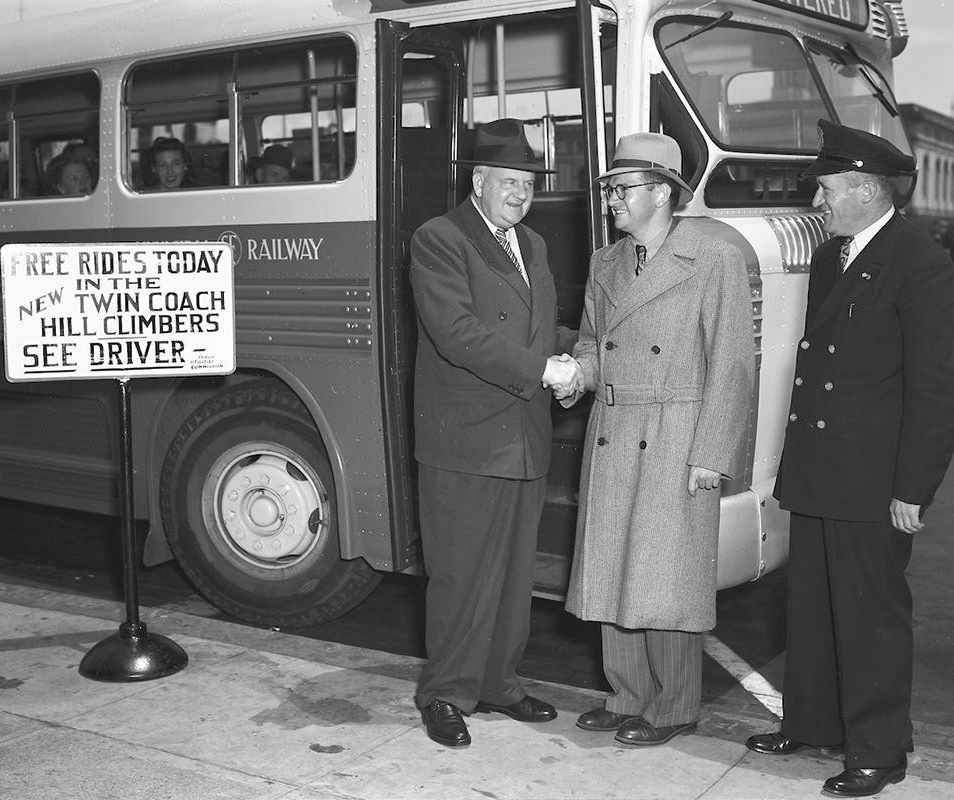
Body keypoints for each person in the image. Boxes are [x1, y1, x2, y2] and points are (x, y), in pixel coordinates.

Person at [746, 120, 954, 797]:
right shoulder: (837, 255)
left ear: (867, 190)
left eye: (830, 190)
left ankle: (879, 748)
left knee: (870, 619)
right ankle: (813, 722)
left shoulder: (919, 260)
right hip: (823, 467)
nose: (820, 202)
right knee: (811, 609)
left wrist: (913, 488)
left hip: (873, 479)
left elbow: (934, 387)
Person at [562, 132, 754, 747]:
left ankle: (673, 706)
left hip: (677, 432)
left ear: (665, 192)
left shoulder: (713, 256)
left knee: (666, 576)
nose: (612, 199)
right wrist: (576, 375)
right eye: (611, 188)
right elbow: (594, 343)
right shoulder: (605, 261)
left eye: (623, 188)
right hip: (614, 427)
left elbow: (731, 364)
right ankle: (626, 696)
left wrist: (712, 455)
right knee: (612, 565)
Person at [409, 118, 580, 748]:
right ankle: (445, 692)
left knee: (513, 571)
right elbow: (457, 334)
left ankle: (499, 684)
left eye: (529, 183)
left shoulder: (531, 244)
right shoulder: (440, 238)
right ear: (478, 181)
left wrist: (578, 359)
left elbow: (539, 329)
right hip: (466, 435)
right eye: (508, 181)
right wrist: (544, 368)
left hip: (522, 431)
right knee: (460, 571)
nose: (520, 193)